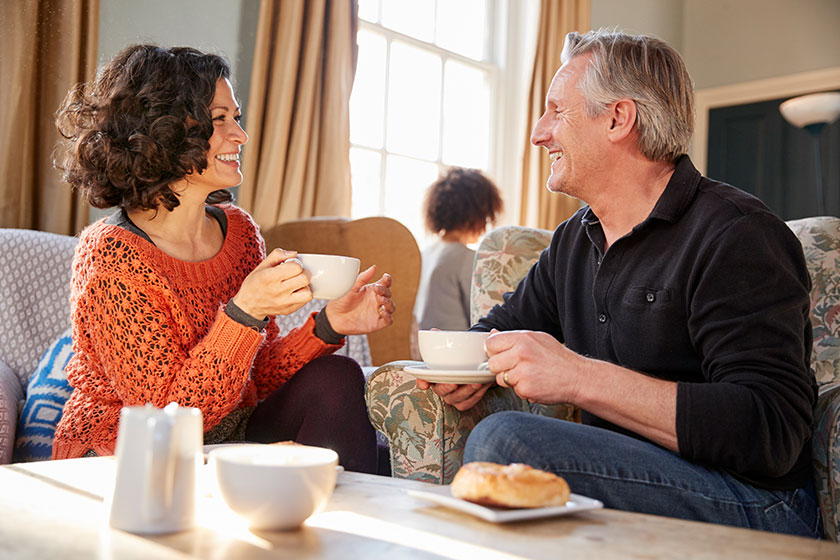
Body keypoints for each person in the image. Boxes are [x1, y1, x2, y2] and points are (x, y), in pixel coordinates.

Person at [416, 29, 821, 537]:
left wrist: (580, 376)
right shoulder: (573, 242)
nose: (539, 134)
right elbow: (500, 330)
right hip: (631, 469)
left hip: (753, 500)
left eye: (556, 111)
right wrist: (457, 363)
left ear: (617, 118)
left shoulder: (738, 233)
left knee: (508, 445)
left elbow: (770, 429)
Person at [52, 45, 395, 474]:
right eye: (220, 120)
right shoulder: (112, 256)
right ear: (165, 127)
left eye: (237, 117)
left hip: (224, 435)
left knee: (337, 377)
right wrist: (244, 311)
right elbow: (165, 419)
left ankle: (346, 531)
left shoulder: (240, 233)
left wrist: (329, 326)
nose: (240, 135)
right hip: (125, 456)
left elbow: (253, 378)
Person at [414, 167, 503, 331]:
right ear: (478, 213)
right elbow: (483, 313)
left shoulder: (423, 255)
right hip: (457, 347)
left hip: (424, 347)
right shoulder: (467, 258)